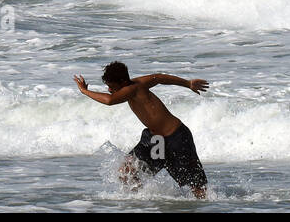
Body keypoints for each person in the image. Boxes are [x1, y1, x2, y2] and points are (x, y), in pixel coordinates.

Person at [74, 62, 209, 198]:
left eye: (112, 86)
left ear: (123, 82)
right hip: (157, 140)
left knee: (196, 186)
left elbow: (110, 100)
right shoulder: (138, 84)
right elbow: (159, 77)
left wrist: (84, 91)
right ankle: (143, 201)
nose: (109, 90)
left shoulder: (131, 89)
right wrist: (188, 84)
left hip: (176, 138)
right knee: (126, 172)